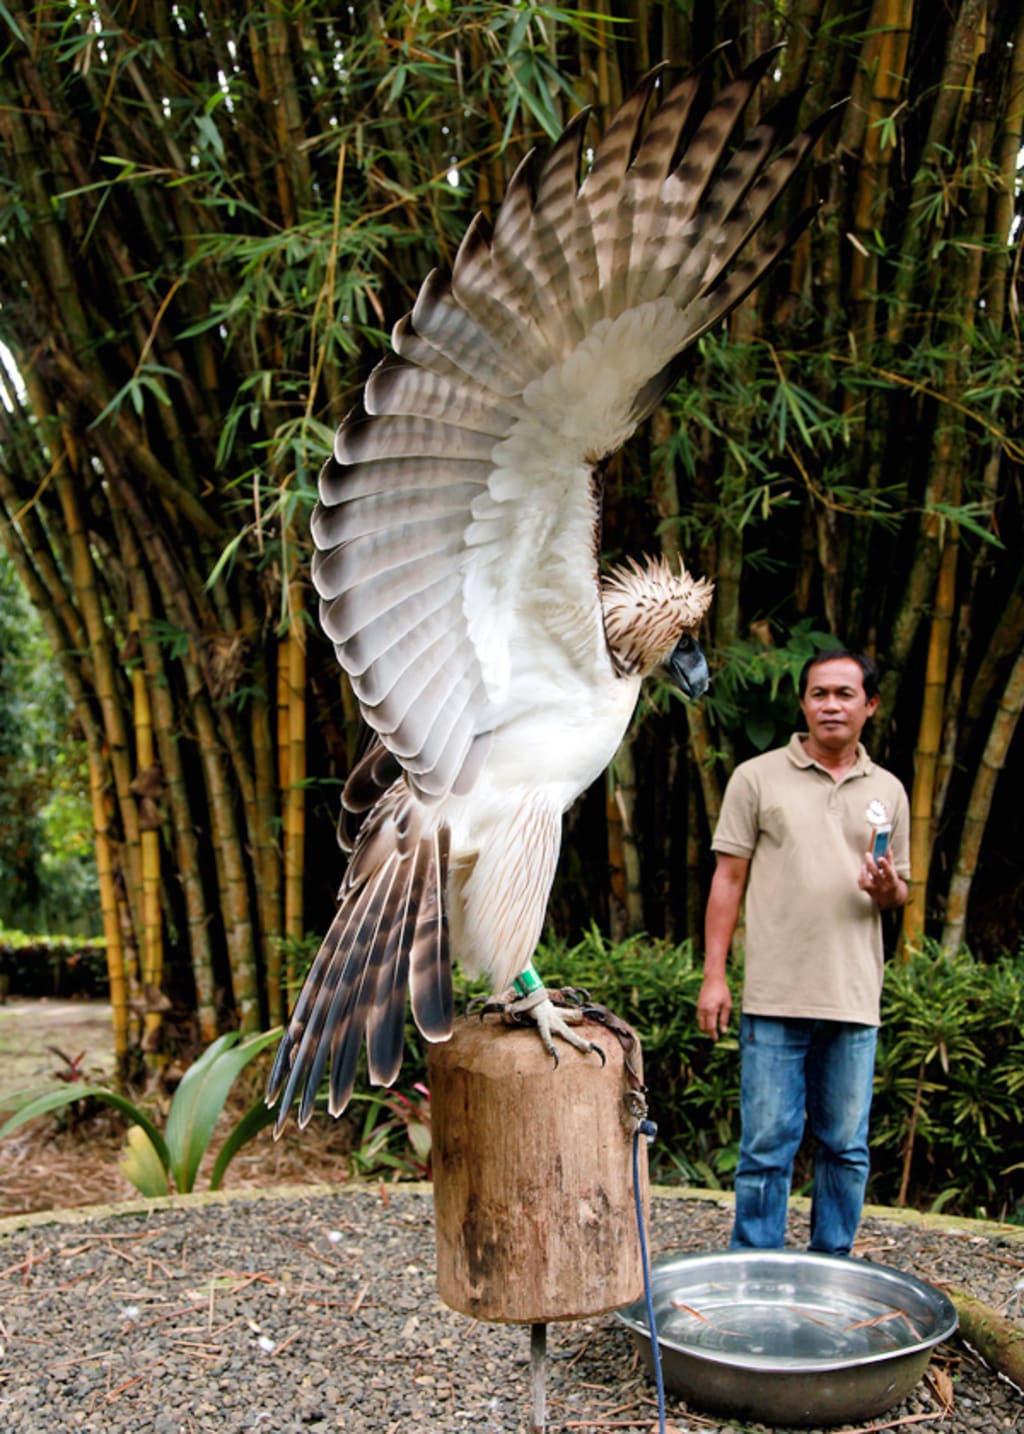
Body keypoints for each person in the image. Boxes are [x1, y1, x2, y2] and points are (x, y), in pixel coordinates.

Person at [697, 649, 910, 1256]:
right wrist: (715, 976)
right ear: (803, 703)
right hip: (774, 992)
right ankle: (755, 1267)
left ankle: (833, 1265)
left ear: (870, 705)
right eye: (819, 694)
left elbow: (901, 888)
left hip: (852, 995)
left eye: (845, 694)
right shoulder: (757, 777)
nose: (831, 705)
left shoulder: (888, 790)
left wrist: (887, 887)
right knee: (766, 1144)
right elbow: (728, 880)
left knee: (845, 1145)